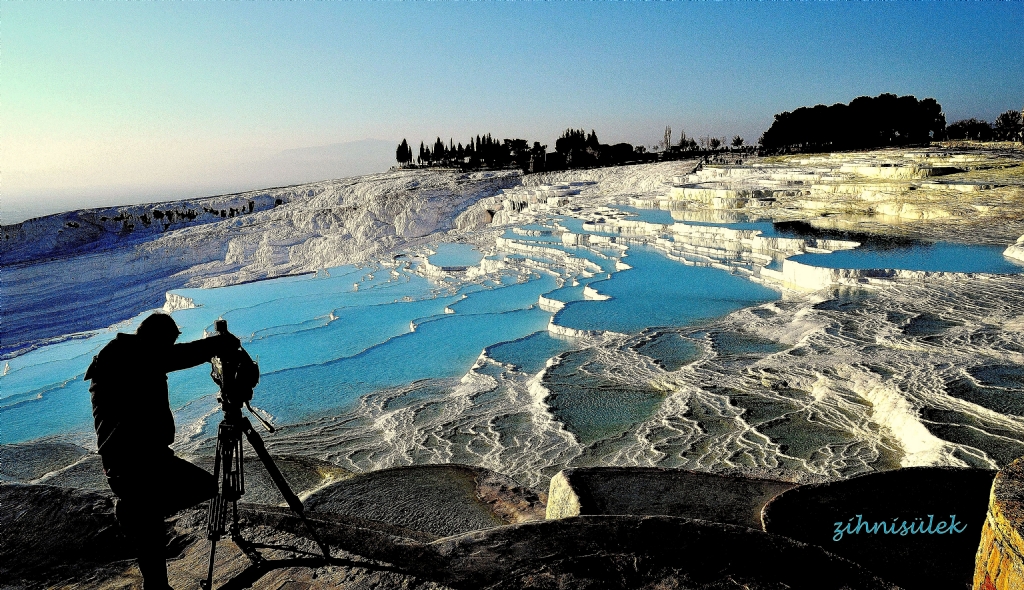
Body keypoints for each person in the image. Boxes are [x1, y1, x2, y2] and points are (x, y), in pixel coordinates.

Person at [86, 313, 239, 590]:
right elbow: (178, 356)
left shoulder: (124, 354)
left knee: (151, 524)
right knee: (201, 487)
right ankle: (134, 512)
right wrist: (219, 344)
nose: (168, 350)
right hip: (134, 463)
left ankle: (141, 522)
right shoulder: (130, 357)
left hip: (140, 459)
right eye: (167, 343)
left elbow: (169, 357)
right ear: (155, 339)